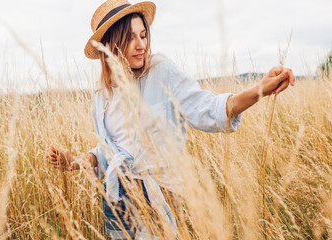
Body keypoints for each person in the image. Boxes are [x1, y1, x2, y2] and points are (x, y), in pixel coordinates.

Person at [46, 0, 295, 239]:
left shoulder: (161, 72)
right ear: (112, 43)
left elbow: (209, 108)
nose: (141, 44)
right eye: (131, 38)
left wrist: (258, 89)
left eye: (143, 35)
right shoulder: (101, 98)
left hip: (162, 194)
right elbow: (109, 152)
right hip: (119, 198)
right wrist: (74, 161)